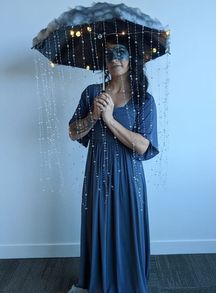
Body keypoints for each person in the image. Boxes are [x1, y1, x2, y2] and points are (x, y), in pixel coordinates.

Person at [67, 38, 159, 293]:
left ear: (131, 59)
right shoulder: (91, 93)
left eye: (120, 53)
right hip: (96, 171)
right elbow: (73, 132)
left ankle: (128, 281)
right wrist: (93, 115)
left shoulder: (144, 99)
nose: (114, 58)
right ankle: (98, 279)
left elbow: (142, 146)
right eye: (109, 55)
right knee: (98, 223)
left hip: (129, 175)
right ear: (104, 62)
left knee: (127, 226)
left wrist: (108, 119)